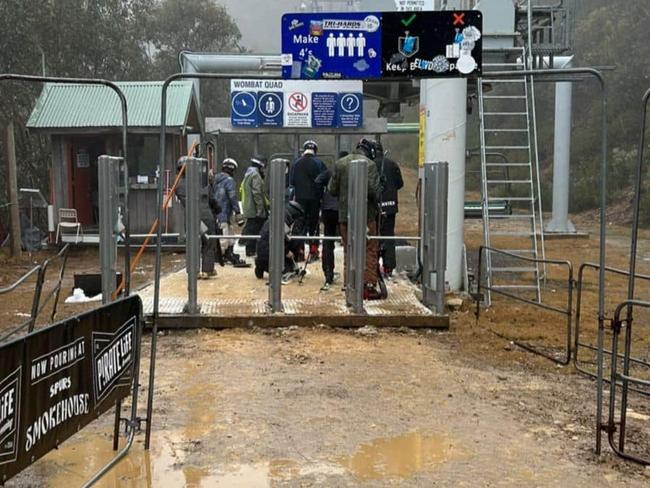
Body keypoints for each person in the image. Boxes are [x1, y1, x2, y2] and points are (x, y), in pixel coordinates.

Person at [328, 139, 384, 300]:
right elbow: (374, 192)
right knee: (369, 249)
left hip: (345, 215)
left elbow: (332, 190)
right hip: (367, 216)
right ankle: (368, 286)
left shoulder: (340, 164)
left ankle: (349, 283)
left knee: (349, 249)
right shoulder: (371, 165)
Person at [289, 140, 327, 262]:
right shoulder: (319, 163)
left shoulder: (296, 163)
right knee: (314, 226)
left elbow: (292, 182)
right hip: (315, 200)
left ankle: (299, 252)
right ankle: (314, 250)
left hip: (299, 200)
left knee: (300, 226)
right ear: (315, 150)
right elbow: (325, 180)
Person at [315, 151, 346, 291]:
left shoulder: (329, 172)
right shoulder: (348, 172)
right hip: (343, 210)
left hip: (328, 210)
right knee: (348, 242)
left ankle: (328, 272)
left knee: (328, 241)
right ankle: (350, 276)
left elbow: (317, 181)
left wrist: (321, 197)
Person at [373, 141, 404, 277]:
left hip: (375, 206)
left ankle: (374, 265)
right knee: (389, 235)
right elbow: (400, 183)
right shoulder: (392, 164)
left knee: (374, 236)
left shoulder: (370, 164)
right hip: (391, 206)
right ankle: (388, 267)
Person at [254, 201, 305, 280]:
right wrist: (287, 252)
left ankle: (260, 265)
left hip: (262, 251)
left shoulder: (277, 216)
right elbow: (278, 240)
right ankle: (268, 265)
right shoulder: (284, 222)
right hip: (270, 253)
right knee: (288, 271)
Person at [213, 158, 246, 266]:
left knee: (227, 234)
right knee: (225, 236)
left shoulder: (214, 179)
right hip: (224, 213)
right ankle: (222, 256)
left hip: (215, 213)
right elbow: (232, 198)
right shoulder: (229, 181)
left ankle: (227, 254)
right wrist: (238, 213)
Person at [240, 156, 269, 257]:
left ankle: (250, 249)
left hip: (249, 208)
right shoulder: (255, 175)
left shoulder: (248, 174)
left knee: (252, 229)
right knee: (257, 230)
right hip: (255, 210)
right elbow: (257, 194)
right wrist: (260, 210)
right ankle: (252, 250)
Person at [198, 170, 222, 278]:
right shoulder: (207, 188)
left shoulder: (189, 186)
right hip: (207, 216)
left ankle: (195, 270)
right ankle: (207, 270)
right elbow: (213, 201)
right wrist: (218, 210)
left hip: (193, 217)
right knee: (209, 242)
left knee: (196, 243)